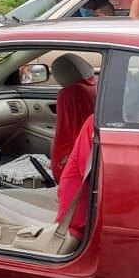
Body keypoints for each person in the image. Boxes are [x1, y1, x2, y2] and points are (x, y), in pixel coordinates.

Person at [50, 54, 97, 182]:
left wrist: (63, 160)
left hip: (74, 162)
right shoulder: (96, 87)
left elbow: (66, 130)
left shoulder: (69, 94)